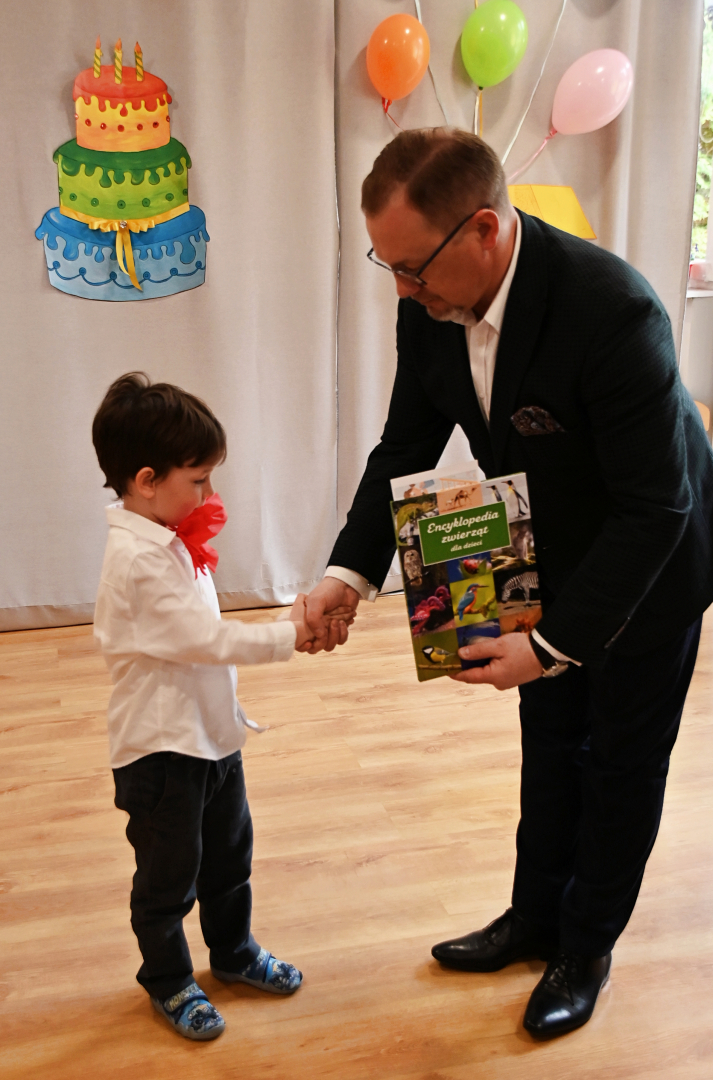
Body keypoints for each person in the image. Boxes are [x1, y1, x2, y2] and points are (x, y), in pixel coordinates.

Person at [304, 129, 713, 1038]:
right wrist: (348, 573)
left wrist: (552, 645)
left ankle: (586, 946)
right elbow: (404, 447)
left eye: (410, 266)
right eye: (386, 264)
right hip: (548, 549)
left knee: (619, 766)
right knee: (550, 744)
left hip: (652, 569)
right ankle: (533, 918)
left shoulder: (613, 311)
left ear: (483, 229)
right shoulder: (429, 304)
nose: (399, 288)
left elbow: (655, 509)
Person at [91, 373, 346, 1041]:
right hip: (161, 755)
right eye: (199, 479)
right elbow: (207, 640)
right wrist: (291, 634)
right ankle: (168, 979)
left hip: (212, 739)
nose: (209, 494)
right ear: (147, 480)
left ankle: (233, 952)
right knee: (167, 881)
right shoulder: (137, 562)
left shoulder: (166, 536)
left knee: (230, 860)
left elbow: (206, 633)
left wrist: (289, 618)